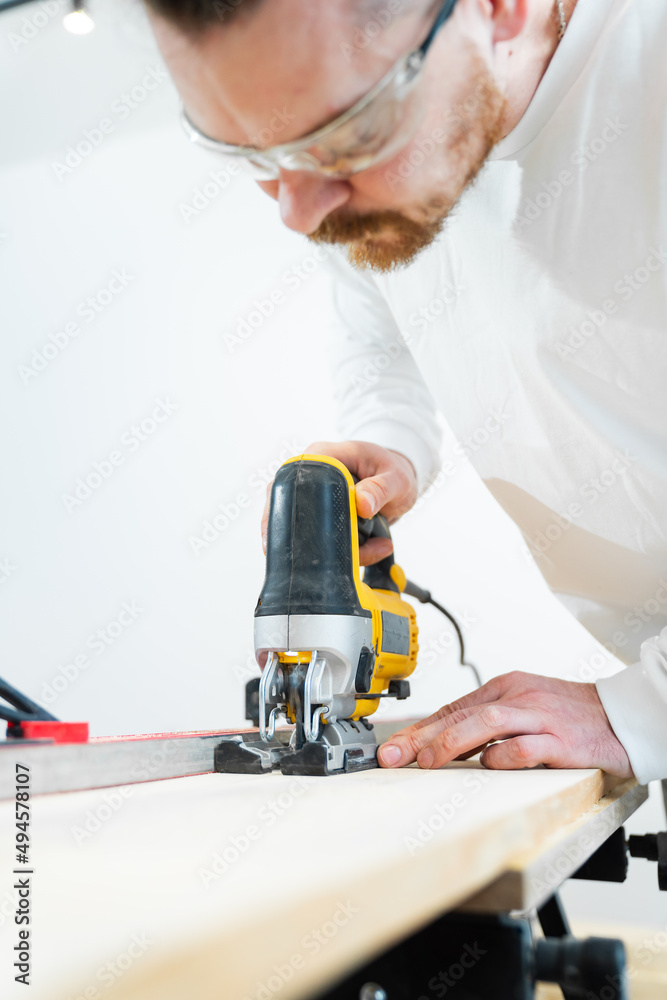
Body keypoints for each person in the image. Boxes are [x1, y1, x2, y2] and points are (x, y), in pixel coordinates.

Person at [145, 0, 667, 783]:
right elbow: (382, 322)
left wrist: (646, 709)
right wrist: (390, 440)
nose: (295, 211)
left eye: (343, 137)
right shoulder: (355, 184)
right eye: (249, 154)